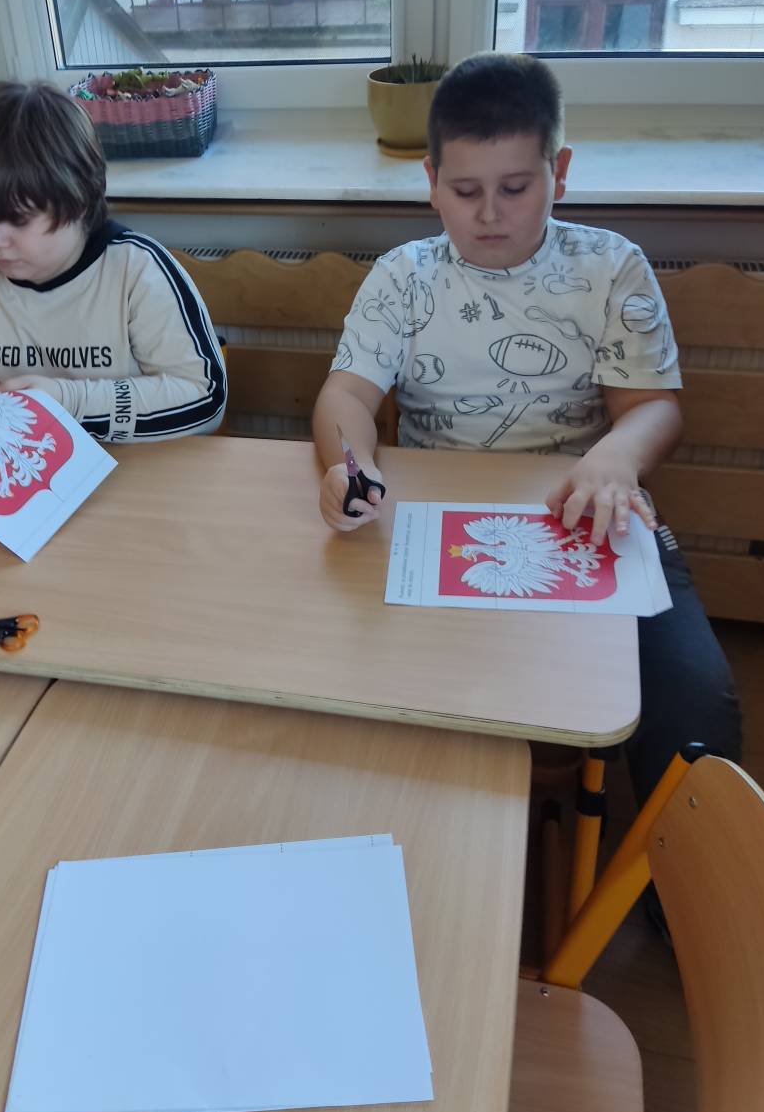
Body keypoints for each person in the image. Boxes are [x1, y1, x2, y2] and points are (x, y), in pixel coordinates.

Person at [313, 51, 739, 808]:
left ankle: (671, 871)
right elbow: (345, 394)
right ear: (432, 182)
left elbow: (655, 407)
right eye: (464, 190)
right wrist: (349, 463)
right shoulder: (405, 275)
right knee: (361, 685)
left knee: (697, 706)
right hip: (438, 531)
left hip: (589, 515)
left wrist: (616, 458)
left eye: (515, 188)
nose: (489, 214)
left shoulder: (610, 267)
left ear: (558, 172)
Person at [0, 81, 226, 443]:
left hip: (130, 473)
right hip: (7, 474)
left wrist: (66, 402)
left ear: (79, 200)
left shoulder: (136, 271)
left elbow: (205, 399)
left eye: (19, 220)